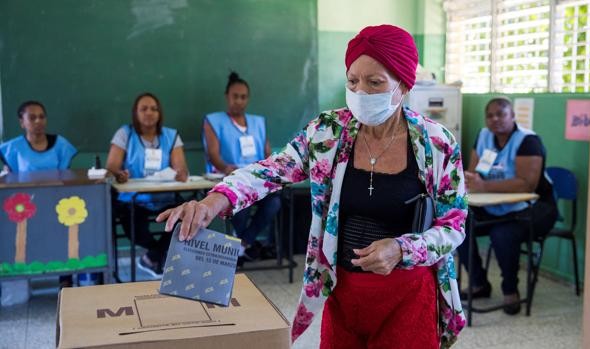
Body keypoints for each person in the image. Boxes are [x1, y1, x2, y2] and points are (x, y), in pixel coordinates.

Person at [158, 25, 468, 348]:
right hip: (344, 294)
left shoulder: (436, 144)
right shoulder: (328, 133)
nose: (360, 92)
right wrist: (214, 201)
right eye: (352, 81)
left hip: (407, 297)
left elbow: (454, 225)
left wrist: (403, 249)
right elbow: (270, 170)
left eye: (374, 82)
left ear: (403, 85)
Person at [458, 97, 558, 315]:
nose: (495, 119)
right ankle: (478, 283)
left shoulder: (528, 141)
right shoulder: (484, 136)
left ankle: (510, 291)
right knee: (458, 222)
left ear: (512, 116)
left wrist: (484, 186)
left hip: (535, 207)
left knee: (502, 234)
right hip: (495, 203)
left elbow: (527, 184)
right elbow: (475, 173)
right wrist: (471, 180)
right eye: (490, 115)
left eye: (501, 114)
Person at [106, 92, 188, 278]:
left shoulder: (171, 135)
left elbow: (181, 169)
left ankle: (152, 257)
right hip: (133, 200)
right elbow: (111, 169)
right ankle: (157, 253)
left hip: (165, 197)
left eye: (154, 109)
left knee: (186, 212)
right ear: (135, 112)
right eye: (144, 109)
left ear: (160, 113)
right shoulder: (124, 134)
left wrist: (181, 173)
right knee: (135, 228)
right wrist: (119, 174)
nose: (149, 113)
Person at [202, 72, 280, 260]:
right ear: (227, 97)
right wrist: (227, 168)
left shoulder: (258, 122)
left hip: (257, 180)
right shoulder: (213, 121)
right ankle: (242, 246)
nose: (239, 101)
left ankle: (242, 244)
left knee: (275, 202)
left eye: (243, 97)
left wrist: (273, 172)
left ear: (248, 99)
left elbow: (267, 153)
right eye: (235, 96)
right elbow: (213, 154)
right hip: (231, 180)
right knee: (241, 206)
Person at [0, 101, 77, 289]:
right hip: (25, 208)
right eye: (32, 117)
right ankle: (20, 278)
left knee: (64, 233)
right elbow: (9, 178)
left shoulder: (61, 145)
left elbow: (65, 176)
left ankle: (65, 280)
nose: (38, 121)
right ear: (21, 122)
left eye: (42, 116)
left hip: (56, 203)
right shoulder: (12, 148)